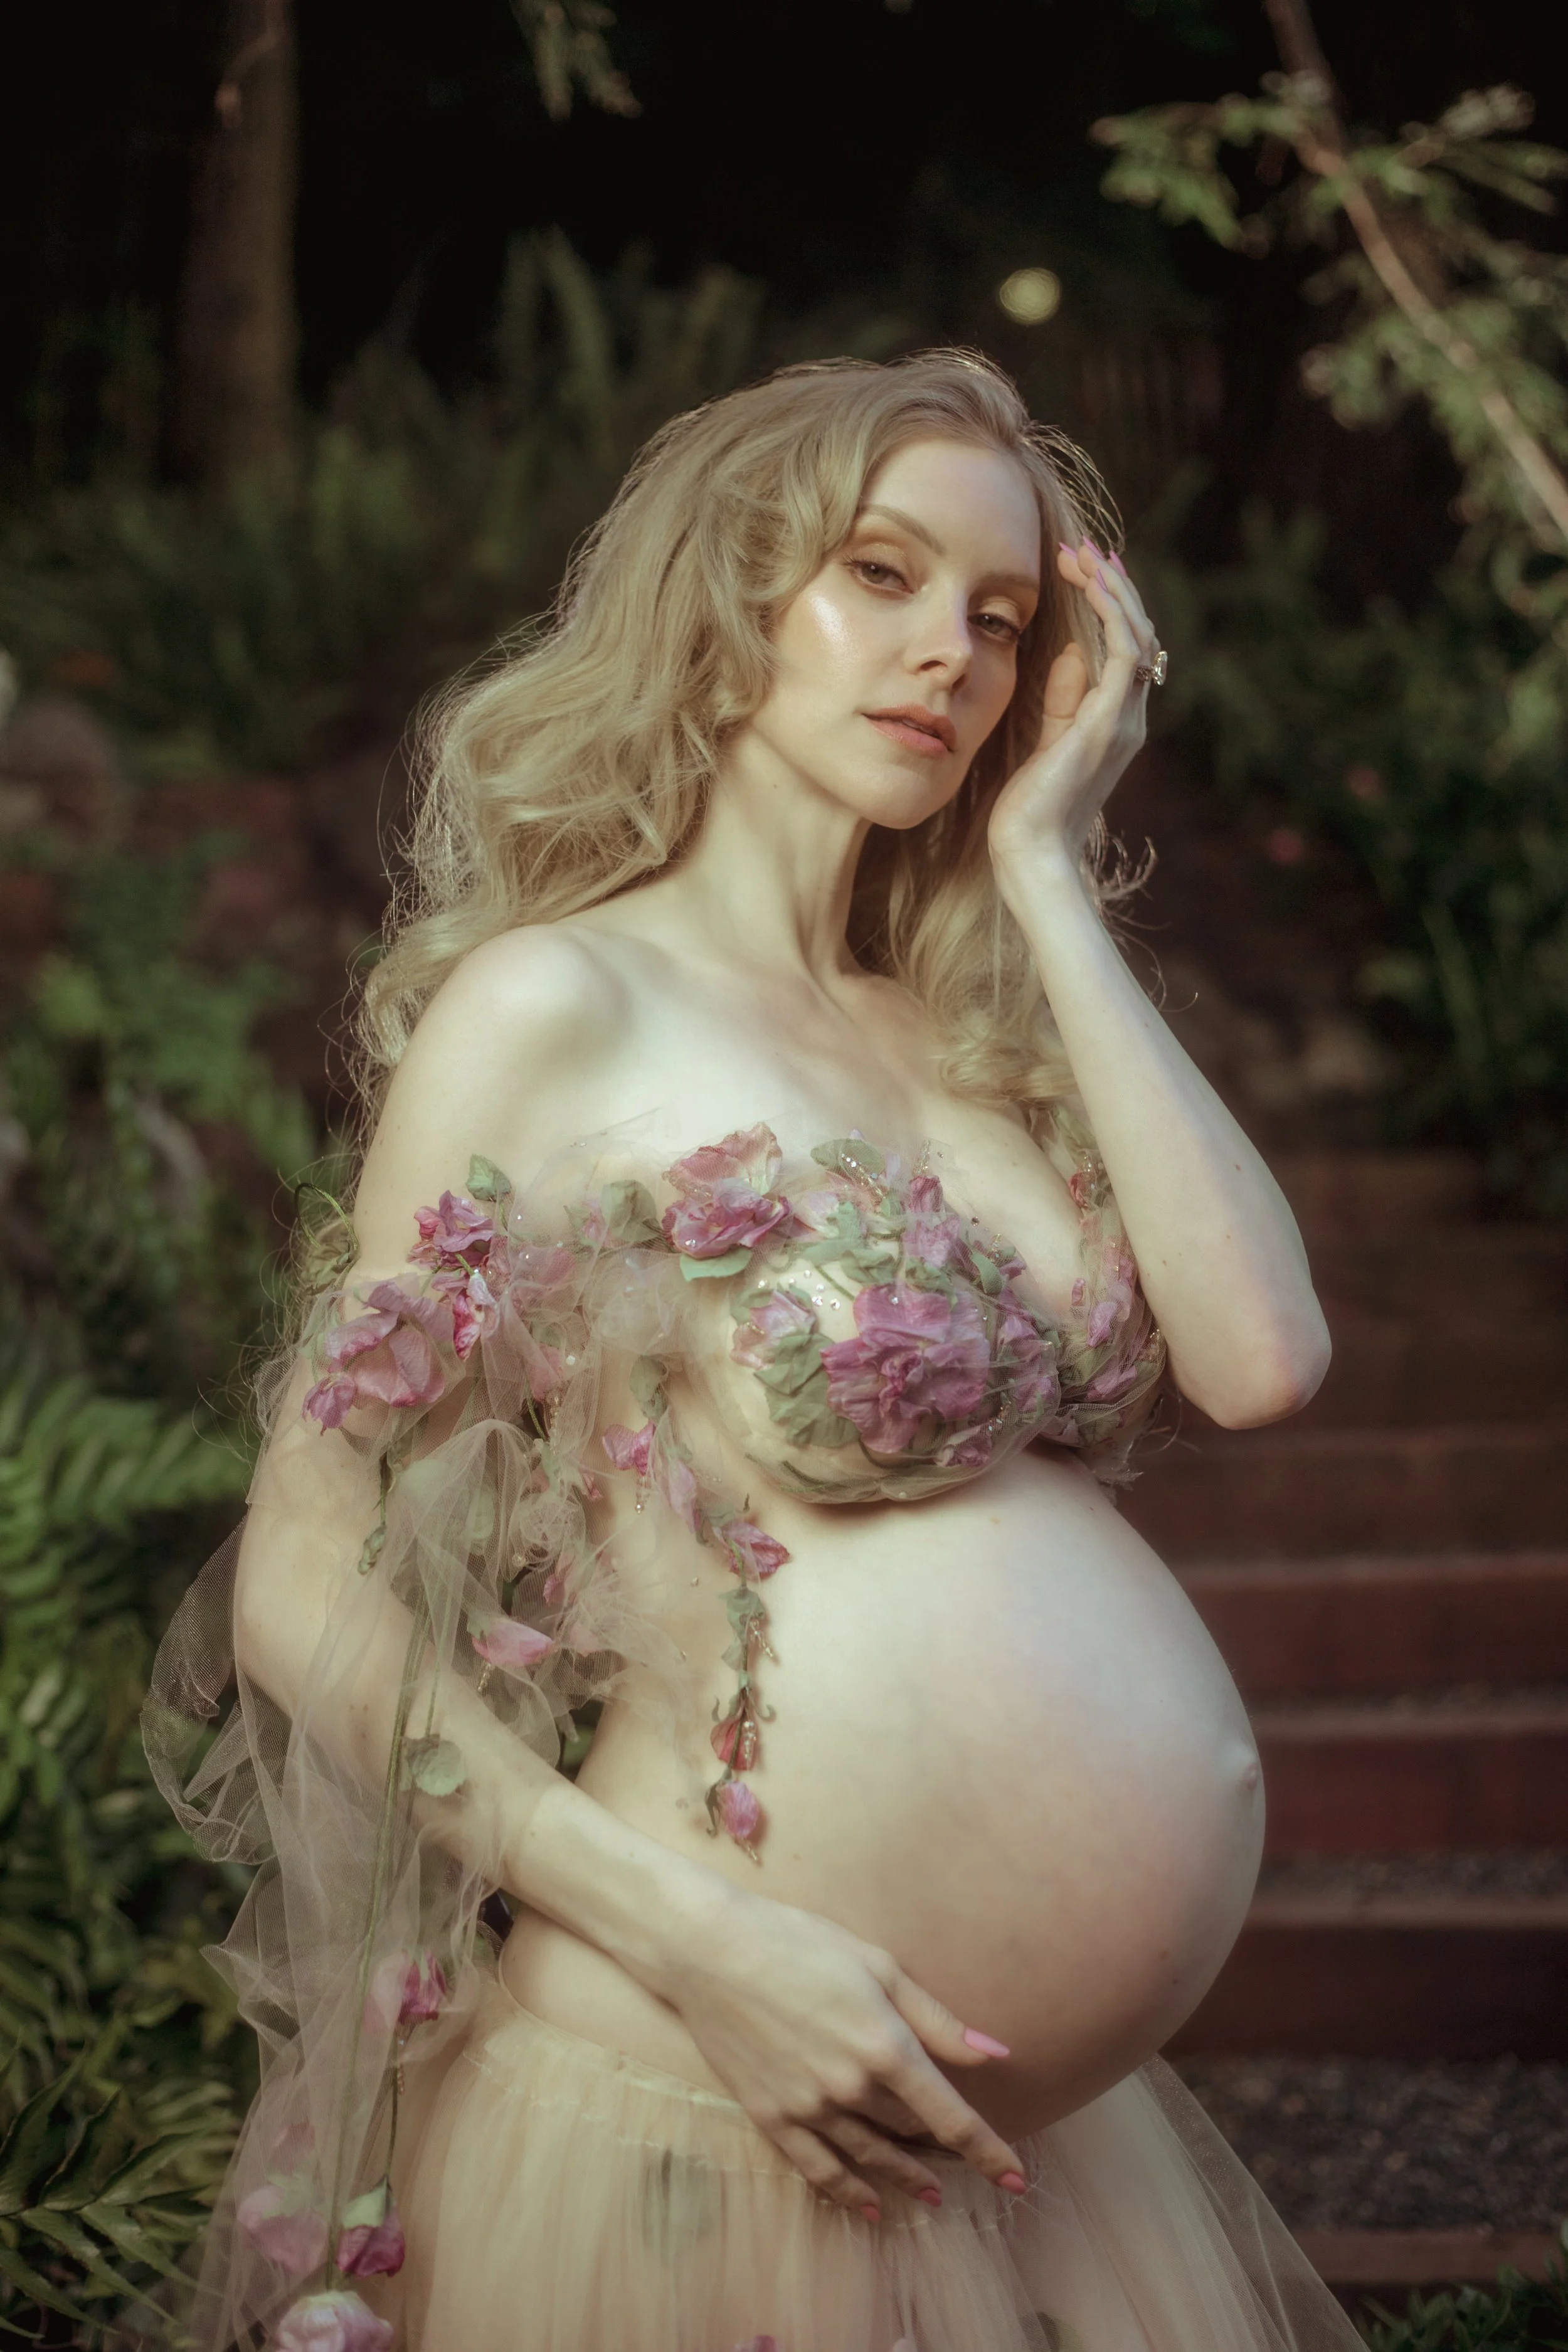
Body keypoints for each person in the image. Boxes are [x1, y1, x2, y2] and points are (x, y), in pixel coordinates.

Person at [147, 349, 1359, 2352]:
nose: (944, 656)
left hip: (1026, 2150)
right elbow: (298, 1567)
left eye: (997, 618)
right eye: (876, 576)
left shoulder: (969, 1030)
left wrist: (1043, 857)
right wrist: (692, 1937)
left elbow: (1259, 1358)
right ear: (725, 612)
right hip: (691, 2088)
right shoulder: (558, 1006)